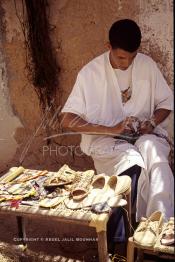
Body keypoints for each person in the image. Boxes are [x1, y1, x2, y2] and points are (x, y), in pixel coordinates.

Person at [61, 19, 174, 248]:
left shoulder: (146, 65)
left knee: (157, 161)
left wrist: (151, 122)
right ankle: (119, 243)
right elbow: (68, 119)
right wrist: (111, 129)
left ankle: (158, 230)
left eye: (132, 58)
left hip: (143, 135)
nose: (127, 63)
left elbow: (166, 103)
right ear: (108, 46)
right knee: (131, 167)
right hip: (105, 140)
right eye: (122, 57)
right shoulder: (90, 74)